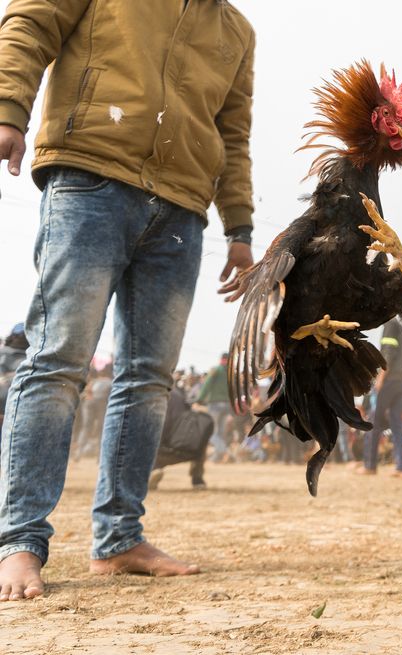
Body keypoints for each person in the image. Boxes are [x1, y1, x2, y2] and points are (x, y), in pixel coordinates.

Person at [0, 0, 256, 601]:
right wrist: (9, 106)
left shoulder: (237, 31)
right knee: (58, 360)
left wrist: (240, 228)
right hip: (90, 174)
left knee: (148, 380)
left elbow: (233, 133)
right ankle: (18, 543)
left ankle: (119, 538)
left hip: (183, 210)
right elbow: (31, 21)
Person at [360, 318, 402, 478]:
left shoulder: (390, 324)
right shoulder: (400, 326)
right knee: (396, 425)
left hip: (389, 380)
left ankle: (370, 465)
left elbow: (388, 353)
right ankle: (401, 467)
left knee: (374, 422)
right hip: (401, 381)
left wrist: (380, 379)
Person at [148, 385, 213, 491]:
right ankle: (197, 479)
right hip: (190, 450)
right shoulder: (176, 393)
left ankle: (153, 469)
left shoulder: (151, 394)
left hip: (163, 452)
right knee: (199, 432)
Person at [197, 354, 233, 463]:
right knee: (221, 432)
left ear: (221, 359)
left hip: (215, 405)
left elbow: (207, 385)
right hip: (227, 405)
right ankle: (217, 458)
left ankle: (226, 452)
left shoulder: (216, 370)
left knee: (212, 432)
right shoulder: (231, 372)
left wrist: (200, 399)